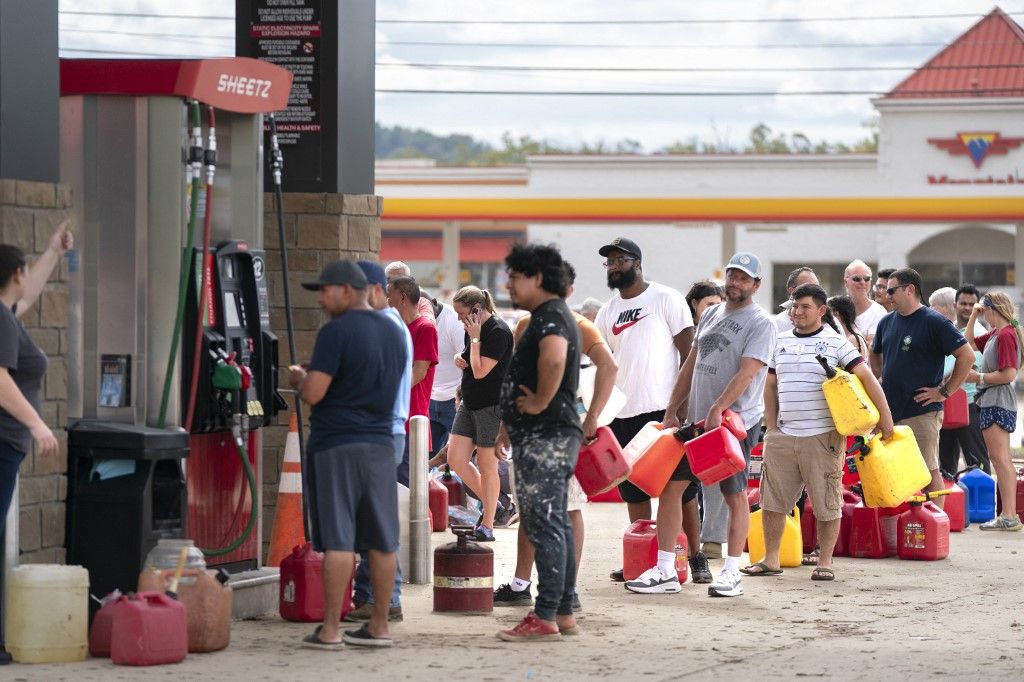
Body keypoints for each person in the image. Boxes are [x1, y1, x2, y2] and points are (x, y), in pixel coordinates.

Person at [290, 260, 407, 649]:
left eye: (324, 290)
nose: (321, 298)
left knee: (339, 539)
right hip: (380, 443)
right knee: (381, 538)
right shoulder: (394, 332)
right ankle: (379, 626)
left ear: (345, 289)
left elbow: (314, 393)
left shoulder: (335, 332)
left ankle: (330, 630)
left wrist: (299, 380)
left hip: (336, 443)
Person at [744, 283, 893, 581]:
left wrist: (886, 420)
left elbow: (867, 379)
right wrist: (771, 427)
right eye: (794, 307)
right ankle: (770, 558)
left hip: (823, 436)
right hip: (783, 436)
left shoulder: (836, 343)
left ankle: (825, 561)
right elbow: (770, 385)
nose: (797, 313)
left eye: (805, 307)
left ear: (821, 311)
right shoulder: (780, 340)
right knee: (772, 500)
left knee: (826, 500)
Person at [495, 262, 618, 609]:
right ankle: (521, 584)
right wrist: (506, 425)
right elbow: (513, 379)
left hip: (561, 434)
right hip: (527, 434)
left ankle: (568, 591)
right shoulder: (523, 325)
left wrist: (592, 415)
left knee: (567, 509)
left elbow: (609, 366)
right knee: (530, 509)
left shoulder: (578, 326)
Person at [658, 252, 776, 598]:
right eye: (732, 275)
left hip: (734, 422)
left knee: (733, 494)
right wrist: (671, 410)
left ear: (756, 285)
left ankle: (731, 572)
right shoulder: (710, 313)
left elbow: (748, 372)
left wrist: (718, 408)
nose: (735, 282)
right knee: (672, 488)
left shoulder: (761, 322)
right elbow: (690, 366)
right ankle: (665, 569)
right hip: (695, 420)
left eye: (743, 278)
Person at [591, 238, 701, 582]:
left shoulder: (665, 298)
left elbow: (690, 354)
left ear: (637, 262)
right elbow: (605, 365)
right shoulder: (607, 312)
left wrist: (679, 407)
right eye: (608, 263)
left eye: (620, 260)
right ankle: (640, 556)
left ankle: (696, 558)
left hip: (662, 412)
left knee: (680, 490)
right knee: (633, 491)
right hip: (623, 414)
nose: (613, 267)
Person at [496, 243, 582, 641]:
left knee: (545, 523)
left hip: (545, 434)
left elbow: (552, 359)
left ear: (537, 278)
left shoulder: (549, 317)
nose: (509, 284)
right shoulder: (551, 314)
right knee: (554, 522)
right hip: (547, 434)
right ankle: (561, 611)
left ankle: (545, 615)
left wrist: (539, 401)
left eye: (515, 276)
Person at [0, 222, 71, 658]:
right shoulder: (0, 319)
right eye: (27, 269)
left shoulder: (6, 314)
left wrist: (52, 253)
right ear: (15, 272)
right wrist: (37, 425)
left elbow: (29, 296)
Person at [870, 268, 975, 507]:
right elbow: (874, 353)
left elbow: (966, 356)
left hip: (921, 410)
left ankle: (936, 526)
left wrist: (945, 391)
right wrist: (880, 377)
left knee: (928, 470)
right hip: (889, 411)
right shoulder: (887, 322)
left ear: (910, 290)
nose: (887, 296)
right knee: (892, 472)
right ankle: (906, 525)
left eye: (891, 290)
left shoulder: (933, 321)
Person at [346, 261, 411, 624]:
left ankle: (387, 599)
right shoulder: (384, 325)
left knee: (377, 522)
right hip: (383, 432)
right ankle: (371, 596)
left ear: (373, 290)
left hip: (382, 433)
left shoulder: (383, 327)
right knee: (371, 520)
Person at [448, 285, 513, 541]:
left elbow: (480, 370)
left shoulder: (497, 331)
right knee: (456, 458)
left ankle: (487, 525)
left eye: (461, 313)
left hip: (491, 405)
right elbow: (467, 360)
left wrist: (475, 338)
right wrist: (457, 357)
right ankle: (492, 502)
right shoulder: (471, 329)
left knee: (487, 465)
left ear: (477, 309)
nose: (458, 319)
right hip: (470, 402)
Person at [965, 292, 1024, 531]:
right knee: (999, 459)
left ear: (993, 310)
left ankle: (1009, 514)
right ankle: (1007, 513)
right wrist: (973, 316)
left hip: (997, 399)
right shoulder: (998, 333)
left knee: (1001, 459)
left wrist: (977, 376)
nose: (983, 316)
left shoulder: (1007, 335)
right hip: (992, 399)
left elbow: (1009, 373)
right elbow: (969, 341)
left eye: (984, 311)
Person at [386, 276, 438, 487]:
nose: (387, 300)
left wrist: (387, 392)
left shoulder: (425, 328)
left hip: (412, 419)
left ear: (402, 298)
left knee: (406, 482)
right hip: (393, 419)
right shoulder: (397, 329)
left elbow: (419, 372)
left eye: (390, 295)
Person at [938, 285, 990, 475]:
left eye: (971, 304)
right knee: (946, 460)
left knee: (976, 459)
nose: (967, 308)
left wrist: (945, 375)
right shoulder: (950, 328)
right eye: (963, 303)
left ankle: (981, 503)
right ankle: (949, 502)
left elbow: (973, 365)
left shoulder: (979, 332)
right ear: (955, 304)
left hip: (970, 403)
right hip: (947, 401)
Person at [429, 297, 465, 457]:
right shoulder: (414, 320)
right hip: (430, 399)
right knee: (425, 456)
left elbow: (467, 362)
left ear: (434, 302)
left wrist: (461, 399)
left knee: (462, 456)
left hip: (454, 400)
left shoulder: (453, 321)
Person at [844, 260, 888, 343]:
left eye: (867, 279)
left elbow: (871, 347)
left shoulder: (879, 312)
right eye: (857, 279)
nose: (863, 282)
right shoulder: (833, 307)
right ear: (846, 282)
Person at [773, 267, 819, 332]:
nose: (815, 292)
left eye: (817, 288)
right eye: (808, 288)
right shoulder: (775, 325)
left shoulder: (829, 323)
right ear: (792, 291)